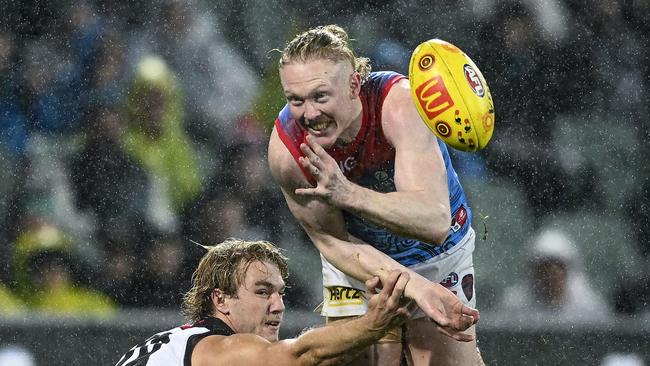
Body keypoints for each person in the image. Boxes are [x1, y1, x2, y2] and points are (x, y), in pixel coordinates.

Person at [267, 25, 483, 366]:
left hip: (438, 255)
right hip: (358, 260)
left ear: (354, 85)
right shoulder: (287, 151)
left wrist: (347, 193)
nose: (309, 114)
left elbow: (433, 220)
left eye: (320, 96)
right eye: (296, 100)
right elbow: (333, 242)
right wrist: (412, 287)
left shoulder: (399, 103)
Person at [114, 238, 412, 366]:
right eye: (262, 291)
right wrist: (373, 324)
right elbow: (300, 356)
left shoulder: (176, 344)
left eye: (280, 293)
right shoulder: (214, 348)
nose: (278, 305)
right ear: (220, 299)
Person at [499, 227, 610, 322]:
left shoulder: (589, 308)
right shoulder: (514, 307)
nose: (551, 276)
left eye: (557, 269)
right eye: (544, 270)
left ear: (568, 271)